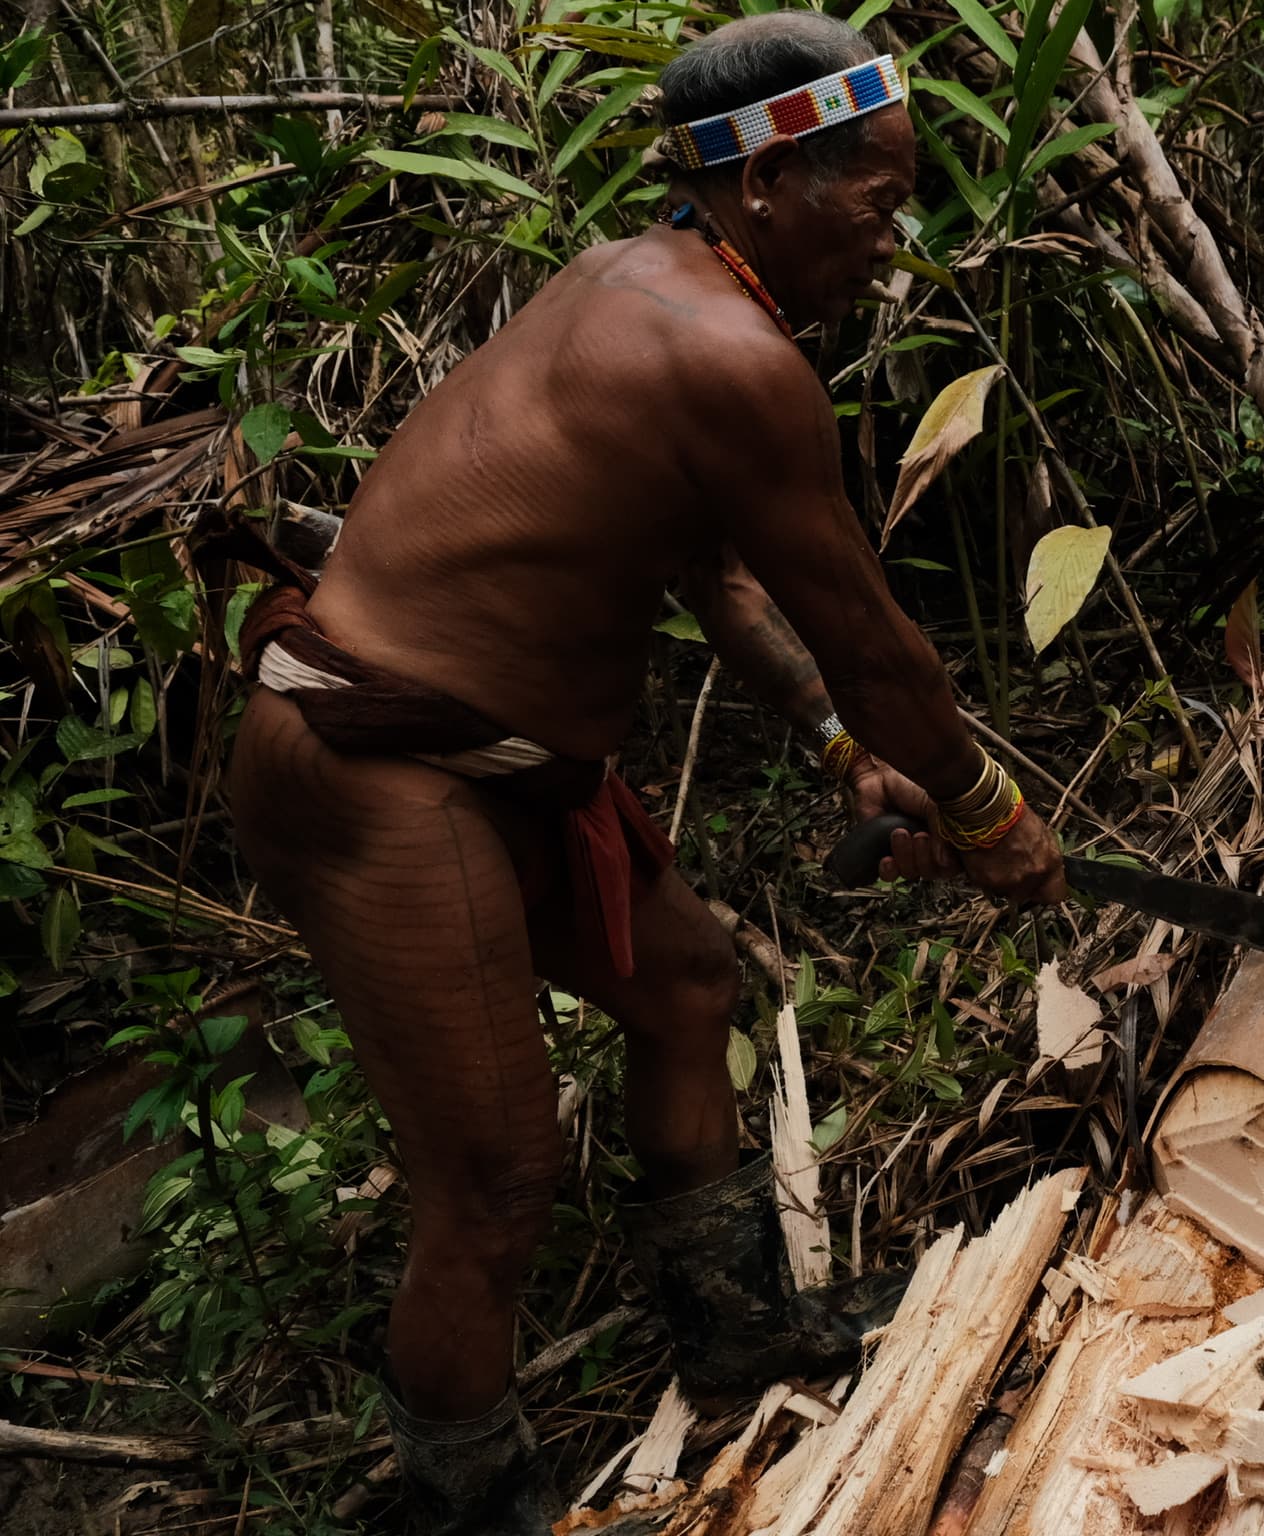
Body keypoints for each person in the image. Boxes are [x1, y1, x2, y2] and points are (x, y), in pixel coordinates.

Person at [224, 13, 1066, 1531]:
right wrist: (990, 811)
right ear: (762, 187)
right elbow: (878, 646)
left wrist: (838, 753)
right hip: (378, 760)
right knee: (491, 1184)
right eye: (875, 202)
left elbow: (718, 580)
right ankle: (464, 1501)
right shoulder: (720, 352)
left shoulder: (657, 286)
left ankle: (734, 1329)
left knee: (686, 991)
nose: (897, 238)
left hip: (484, 756)